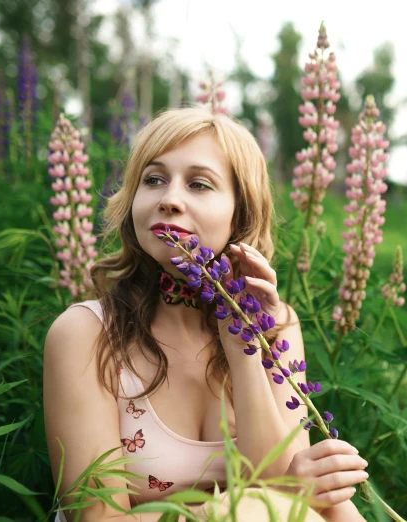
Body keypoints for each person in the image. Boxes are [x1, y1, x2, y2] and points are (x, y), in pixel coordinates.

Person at [43, 106, 369, 522]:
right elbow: (93, 519)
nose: (170, 200)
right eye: (154, 179)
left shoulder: (278, 323)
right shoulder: (85, 333)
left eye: (199, 184)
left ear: (240, 213)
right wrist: (258, 501)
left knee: (331, 498)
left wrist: (244, 345)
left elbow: (278, 483)